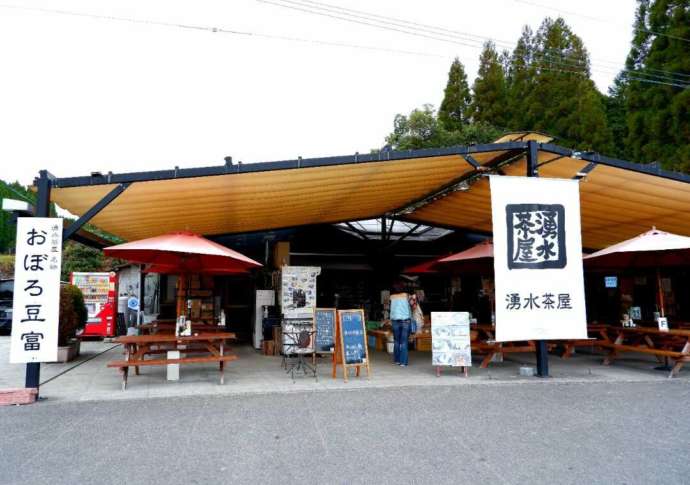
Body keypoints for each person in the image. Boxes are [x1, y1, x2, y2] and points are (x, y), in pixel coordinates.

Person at [390, 290, 412, 366]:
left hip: (395, 320)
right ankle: (403, 362)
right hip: (405, 320)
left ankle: (397, 360)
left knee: (396, 341)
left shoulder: (392, 297)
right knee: (404, 341)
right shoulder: (407, 296)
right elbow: (413, 305)